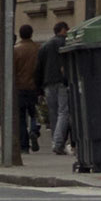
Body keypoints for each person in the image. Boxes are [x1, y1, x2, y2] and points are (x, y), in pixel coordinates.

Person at [37, 20, 72, 154]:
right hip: (62, 82)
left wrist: (39, 87)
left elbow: (39, 67)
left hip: (48, 83)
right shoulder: (66, 43)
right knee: (63, 112)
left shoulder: (45, 46)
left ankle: (55, 141)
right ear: (63, 30)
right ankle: (58, 143)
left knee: (53, 112)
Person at [14, 23, 41, 152]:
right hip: (34, 86)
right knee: (35, 113)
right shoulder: (38, 48)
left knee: (21, 117)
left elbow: (13, 70)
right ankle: (34, 130)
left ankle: (24, 145)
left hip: (20, 87)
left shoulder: (15, 50)